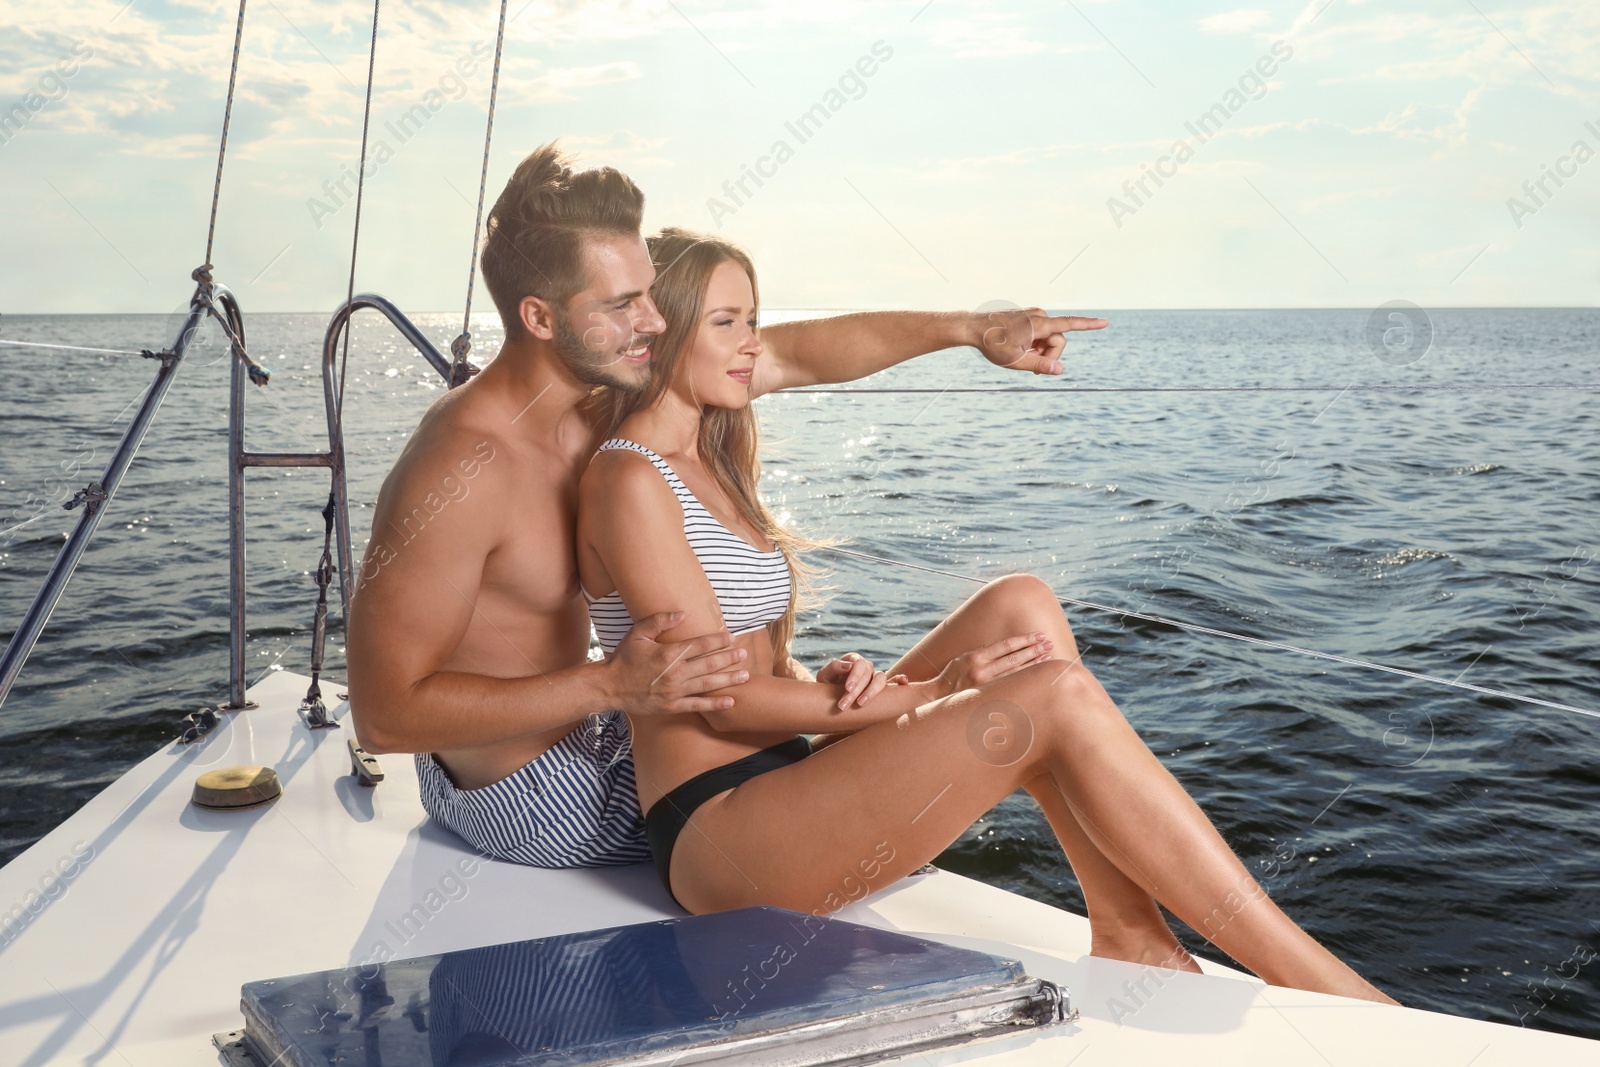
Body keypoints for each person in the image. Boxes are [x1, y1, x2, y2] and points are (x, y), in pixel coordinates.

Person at [574, 226, 1400, 1004]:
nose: (756, 340)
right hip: (722, 837)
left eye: (754, 318)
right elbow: (716, 696)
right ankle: (1338, 997)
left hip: (786, 770)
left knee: (1022, 606)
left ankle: (1129, 930)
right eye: (728, 321)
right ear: (664, 332)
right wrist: (927, 691)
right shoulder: (630, 480)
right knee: (1052, 695)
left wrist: (975, 328)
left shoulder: (707, 448)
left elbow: (821, 348)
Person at [344, 143, 1102, 870]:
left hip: (603, 727)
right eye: (624, 303)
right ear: (541, 318)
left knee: (1010, 627)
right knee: (935, 735)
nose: (654, 320)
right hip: (539, 792)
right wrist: (609, 685)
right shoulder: (460, 468)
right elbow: (384, 714)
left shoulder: (604, 384)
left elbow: (792, 354)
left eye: (648, 292)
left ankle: (1118, 911)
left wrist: (972, 330)